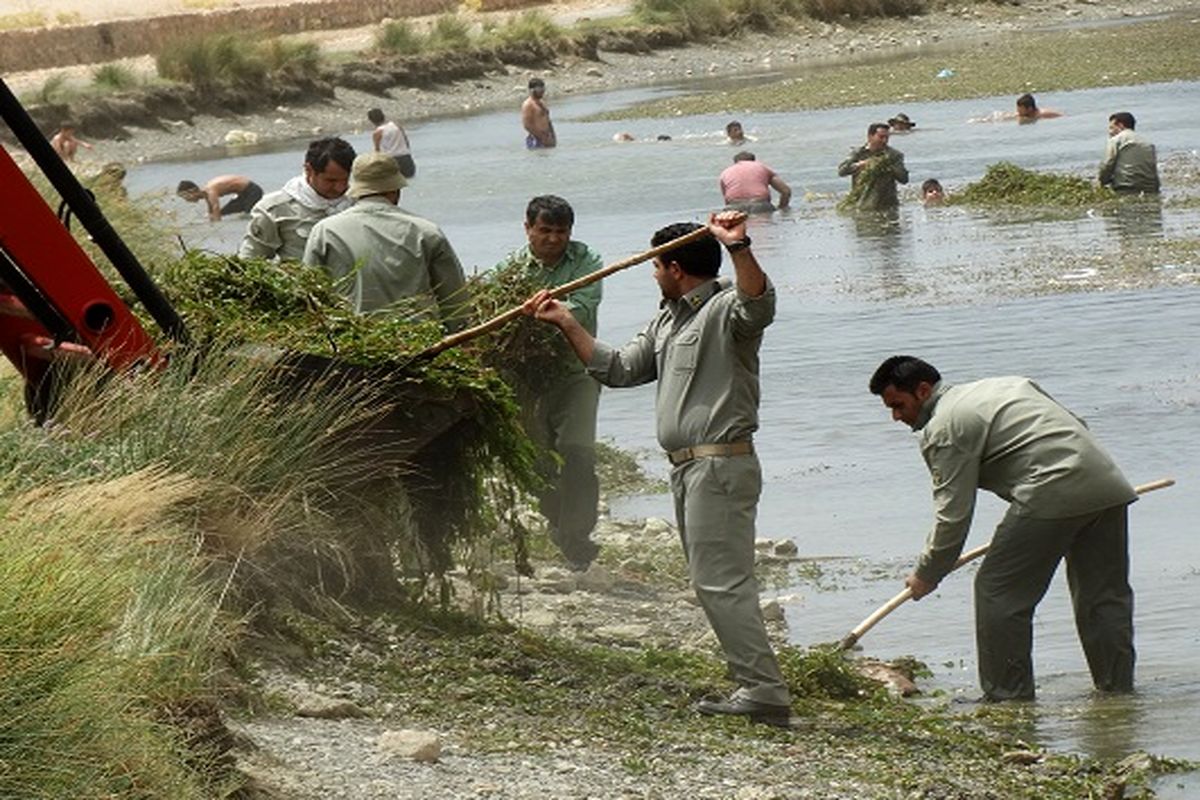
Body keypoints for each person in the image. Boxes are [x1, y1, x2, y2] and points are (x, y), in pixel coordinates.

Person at [522, 210, 793, 727]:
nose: (652, 274)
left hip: (720, 465)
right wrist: (566, 321)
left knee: (722, 582)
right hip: (686, 470)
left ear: (674, 268)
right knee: (711, 581)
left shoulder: (725, 312)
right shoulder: (669, 319)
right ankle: (756, 685)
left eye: (656, 266)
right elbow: (620, 369)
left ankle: (763, 691)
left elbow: (759, 302)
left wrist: (738, 246)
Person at [868, 355, 1137, 702]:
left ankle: (1008, 700)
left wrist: (928, 573)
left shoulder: (943, 429)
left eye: (898, 405)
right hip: (1106, 483)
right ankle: (1119, 694)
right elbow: (1076, 425)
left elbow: (953, 515)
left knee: (998, 591)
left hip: (1049, 489)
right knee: (1103, 596)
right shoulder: (1009, 385)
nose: (896, 417)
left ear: (922, 391)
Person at [494, 195, 604, 570]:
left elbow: (585, 305)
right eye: (545, 231)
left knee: (578, 452)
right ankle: (557, 522)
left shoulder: (587, 262)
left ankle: (576, 537)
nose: (553, 239)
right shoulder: (509, 270)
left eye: (561, 232)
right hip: (529, 381)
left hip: (577, 374)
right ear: (528, 229)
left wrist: (550, 311)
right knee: (537, 460)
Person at [302, 152, 468, 330]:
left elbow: (308, 295)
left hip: (351, 340)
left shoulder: (325, 231)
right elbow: (455, 300)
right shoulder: (426, 232)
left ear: (357, 190)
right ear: (395, 189)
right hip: (419, 341)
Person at [238, 137, 356, 261]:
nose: (340, 188)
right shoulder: (274, 209)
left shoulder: (359, 202)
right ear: (309, 170)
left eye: (345, 180)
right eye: (331, 181)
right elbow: (250, 258)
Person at [837, 122, 909, 212]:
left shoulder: (894, 155)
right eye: (881, 137)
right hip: (862, 203)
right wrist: (859, 165)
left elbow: (904, 179)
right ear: (870, 136)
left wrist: (890, 166)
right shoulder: (858, 153)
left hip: (888, 205)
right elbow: (842, 171)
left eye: (887, 137)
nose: (884, 141)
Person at [1098, 111, 1160, 195]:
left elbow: (1107, 164)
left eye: (1111, 128)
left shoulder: (1116, 140)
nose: (1110, 132)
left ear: (1120, 125)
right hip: (1151, 188)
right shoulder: (1147, 143)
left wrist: (1101, 182)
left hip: (1126, 187)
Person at [719, 151, 791, 213]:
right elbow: (785, 191)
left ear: (735, 162)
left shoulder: (725, 172)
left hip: (734, 207)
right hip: (760, 205)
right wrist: (782, 208)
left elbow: (727, 200)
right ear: (754, 161)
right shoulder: (762, 167)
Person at [176, 175, 264, 222]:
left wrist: (216, 227)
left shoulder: (210, 191)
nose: (186, 200)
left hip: (252, 191)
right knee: (224, 213)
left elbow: (216, 210)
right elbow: (211, 211)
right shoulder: (206, 194)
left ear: (193, 191)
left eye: (186, 196)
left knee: (249, 215)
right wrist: (208, 219)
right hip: (242, 195)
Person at [368, 107, 415, 179]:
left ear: (371, 120)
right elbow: (407, 143)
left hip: (391, 161)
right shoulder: (397, 126)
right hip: (406, 158)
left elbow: (377, 152)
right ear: (383, 116)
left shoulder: (377, 133)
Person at [522, 78, 556, 149]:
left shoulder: (542, 103)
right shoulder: (528, 104)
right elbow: (527, 125)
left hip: (547, 137)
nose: (542, 91)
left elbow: (548, 120)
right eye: (539, 89)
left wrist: (553, 136)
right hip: (536, 139)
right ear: (532, 90)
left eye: (543, 89)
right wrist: (542, 138)